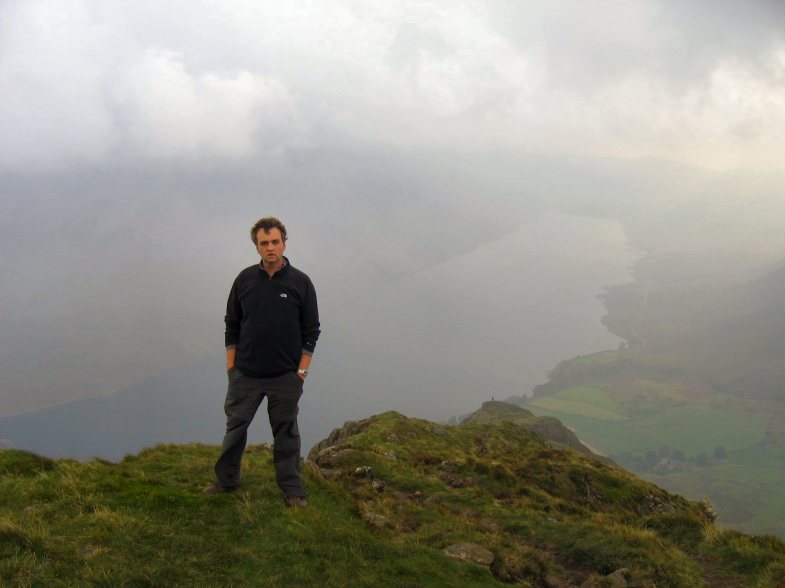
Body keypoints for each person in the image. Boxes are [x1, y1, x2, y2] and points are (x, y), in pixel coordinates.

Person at [203, 217, 320, 507]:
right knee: (235, 429)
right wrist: (231, 368)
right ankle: (226, 481)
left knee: (286, 434)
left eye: (275, 242)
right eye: (264, 243)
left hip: (285, 377)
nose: (270, 247)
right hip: (245, 374)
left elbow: (311, 331)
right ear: (256, 247)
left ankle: (292, 489)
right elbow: (232, 324)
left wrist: (301, 372)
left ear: (284, 244)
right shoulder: (244, 280)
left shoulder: (301, 283)